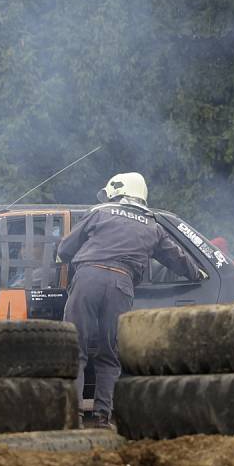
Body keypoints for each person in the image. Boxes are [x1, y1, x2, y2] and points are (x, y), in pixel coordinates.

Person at [57, 172, 203, 430]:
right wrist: (197, 273)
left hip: (87, 278)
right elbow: (176, 258)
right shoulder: (152, 225)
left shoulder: (99, 212)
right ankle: (103, 416)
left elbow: (65, 249)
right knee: (110, 352)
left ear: (115, 193)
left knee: (75, 348)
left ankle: (74, 415)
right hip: (121, 285)